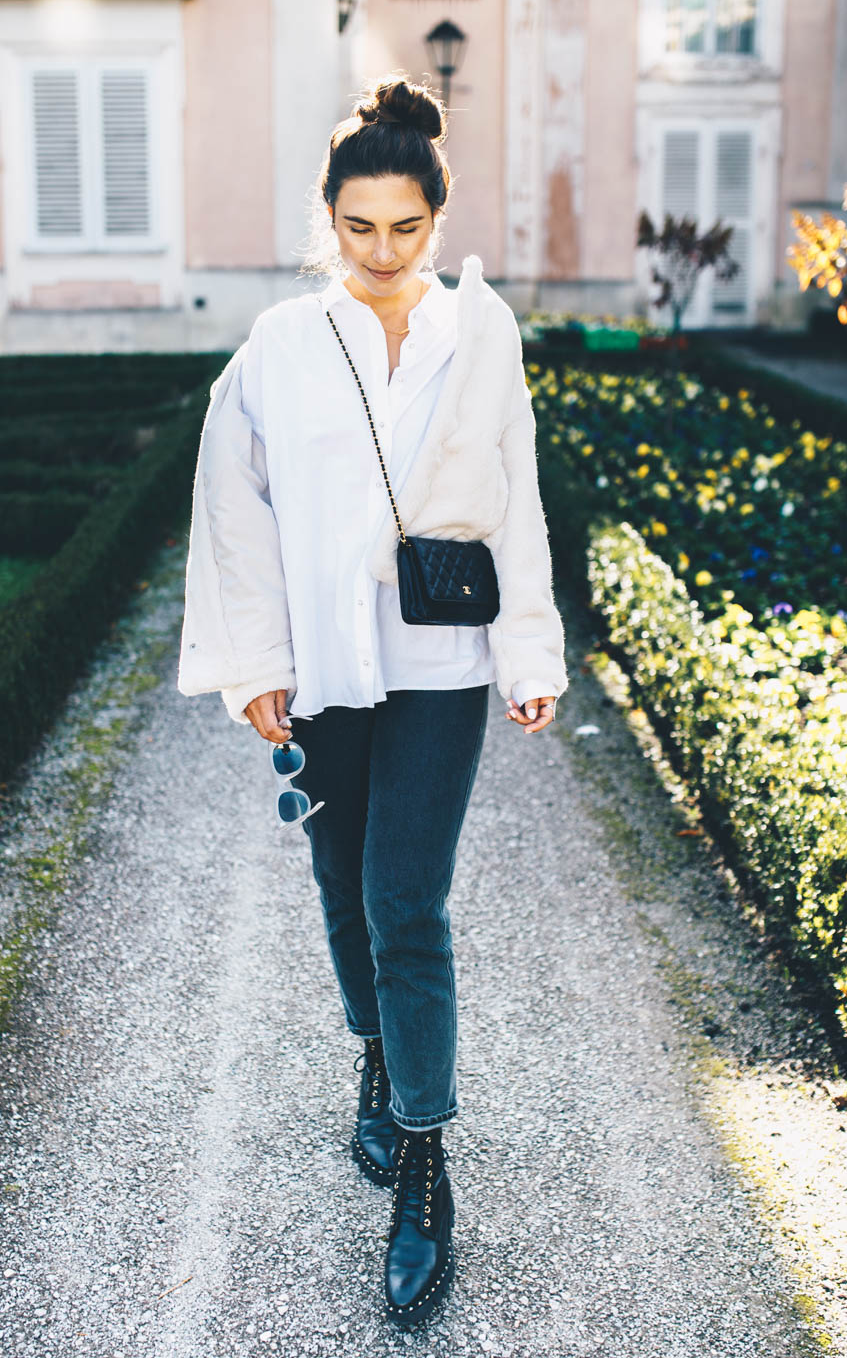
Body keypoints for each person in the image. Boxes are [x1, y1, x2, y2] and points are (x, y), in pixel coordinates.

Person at [177, 72, 568, 1327]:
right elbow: (231, 506)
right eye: (359, 228)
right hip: (328, 670)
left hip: (441, 668)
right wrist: (255, 666)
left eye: (406, 229)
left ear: (436, 223)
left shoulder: (482, 332)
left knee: (407, 900)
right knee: (341, 891)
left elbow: (514, 488)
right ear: (326, 219)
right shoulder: (281, 350)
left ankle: (423, 1158)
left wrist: (529, 656)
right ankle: (375, 1052)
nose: (383, 253)